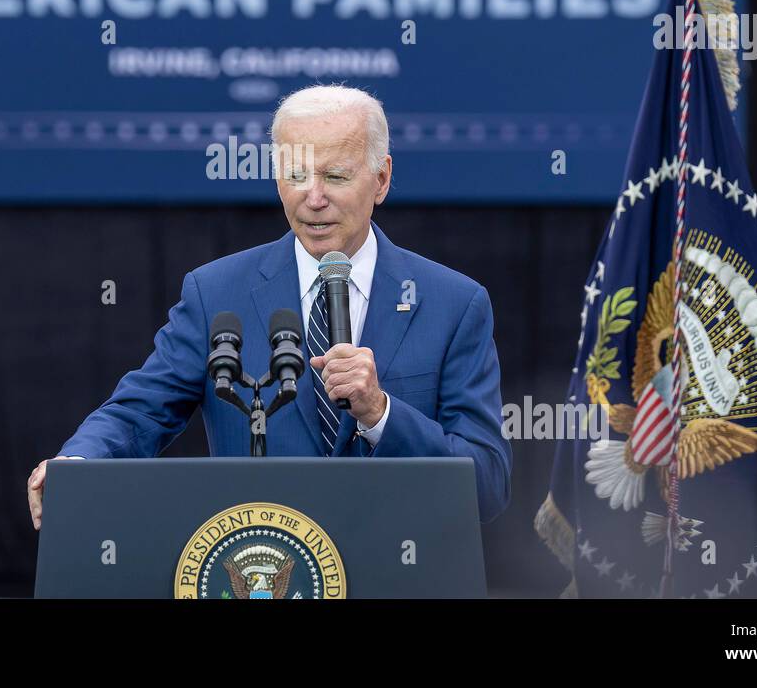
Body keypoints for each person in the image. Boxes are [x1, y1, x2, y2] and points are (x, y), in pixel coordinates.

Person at [27, 84, 511, 528]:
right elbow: (139, 413)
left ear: (381, 179)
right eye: (296, 174)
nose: (313, 197)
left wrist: (380, 415)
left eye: (335, 176)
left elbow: (487, 486)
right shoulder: (214, 293)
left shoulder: (454, 305)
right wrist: (77, 468)